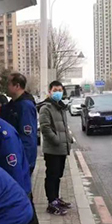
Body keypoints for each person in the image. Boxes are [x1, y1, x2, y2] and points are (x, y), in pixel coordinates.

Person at [1, 73, 45, 224]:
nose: (6, 87)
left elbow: (28, 139)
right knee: (21, 199)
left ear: (17, 86)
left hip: (20, 163)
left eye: (8, 84)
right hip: (12, 161)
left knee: (24, 199)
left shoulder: (25, 106)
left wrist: (24, 164)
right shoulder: (12, 105)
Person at [39, 80, 74, 216]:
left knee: (58, 175)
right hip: (52, 149)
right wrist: (57, 140)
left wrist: (68, 139)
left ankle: (56, 198)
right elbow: (45, 128)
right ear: (50, 92)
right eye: (55, 90)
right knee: (52, 175)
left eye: (60, 90)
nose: (58, 92)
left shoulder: (60, 107)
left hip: (61, 148)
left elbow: (64, 127)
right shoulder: (46, 108)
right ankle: (51, 202)